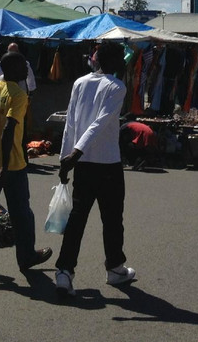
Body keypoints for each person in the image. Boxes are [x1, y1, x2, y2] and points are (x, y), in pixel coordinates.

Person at [55, 42, 135, 298]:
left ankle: (64, 272)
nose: (124, 63)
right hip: (107, 163)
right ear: (110, 61)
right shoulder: (116, 87)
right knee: (112, 219)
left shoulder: (80, 83)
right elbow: (101, 121)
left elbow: (71, 122)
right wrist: (74, 153)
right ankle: (114, 267)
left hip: (82, 164)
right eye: (121, 59)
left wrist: (66, 157)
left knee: (77, 219)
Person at [0, 51, 52, 288]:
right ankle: (26, 258)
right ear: (13, 69)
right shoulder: (18, 94)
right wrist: (4, 166)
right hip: (11, 166)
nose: (27, 71)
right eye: (24, 67)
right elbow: (8, 129)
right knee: (22, 215)